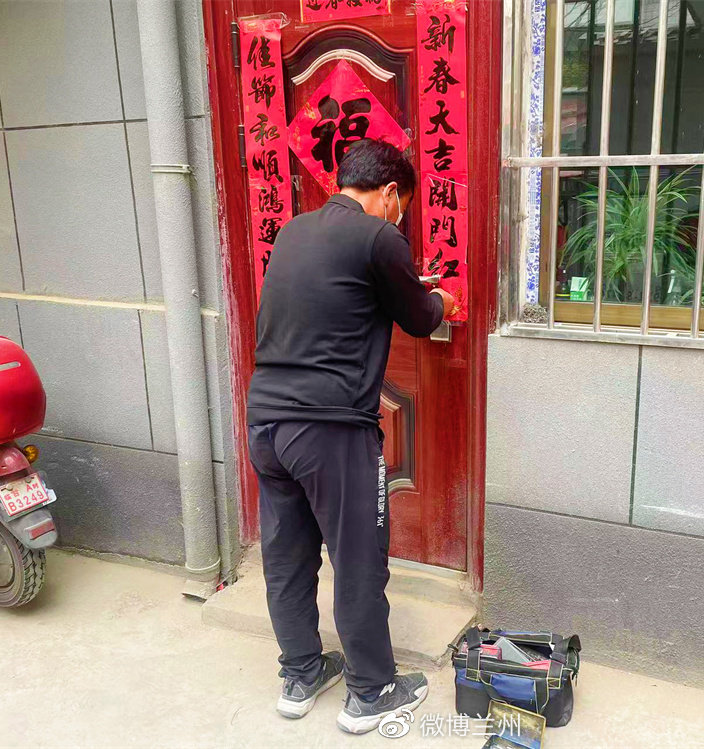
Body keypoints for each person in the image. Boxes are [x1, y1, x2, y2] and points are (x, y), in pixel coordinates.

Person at [247, 138, 454, 735]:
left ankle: (300, 673)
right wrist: (442, 298)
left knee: (287, 556)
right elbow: (419, 316)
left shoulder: (292, 231)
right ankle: (371, 690)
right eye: (403, 205)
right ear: (389, 192)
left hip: (266, 423)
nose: (401, 217)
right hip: (331, 429)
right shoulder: (379, 237)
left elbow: (333, 302)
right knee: (359, 558)